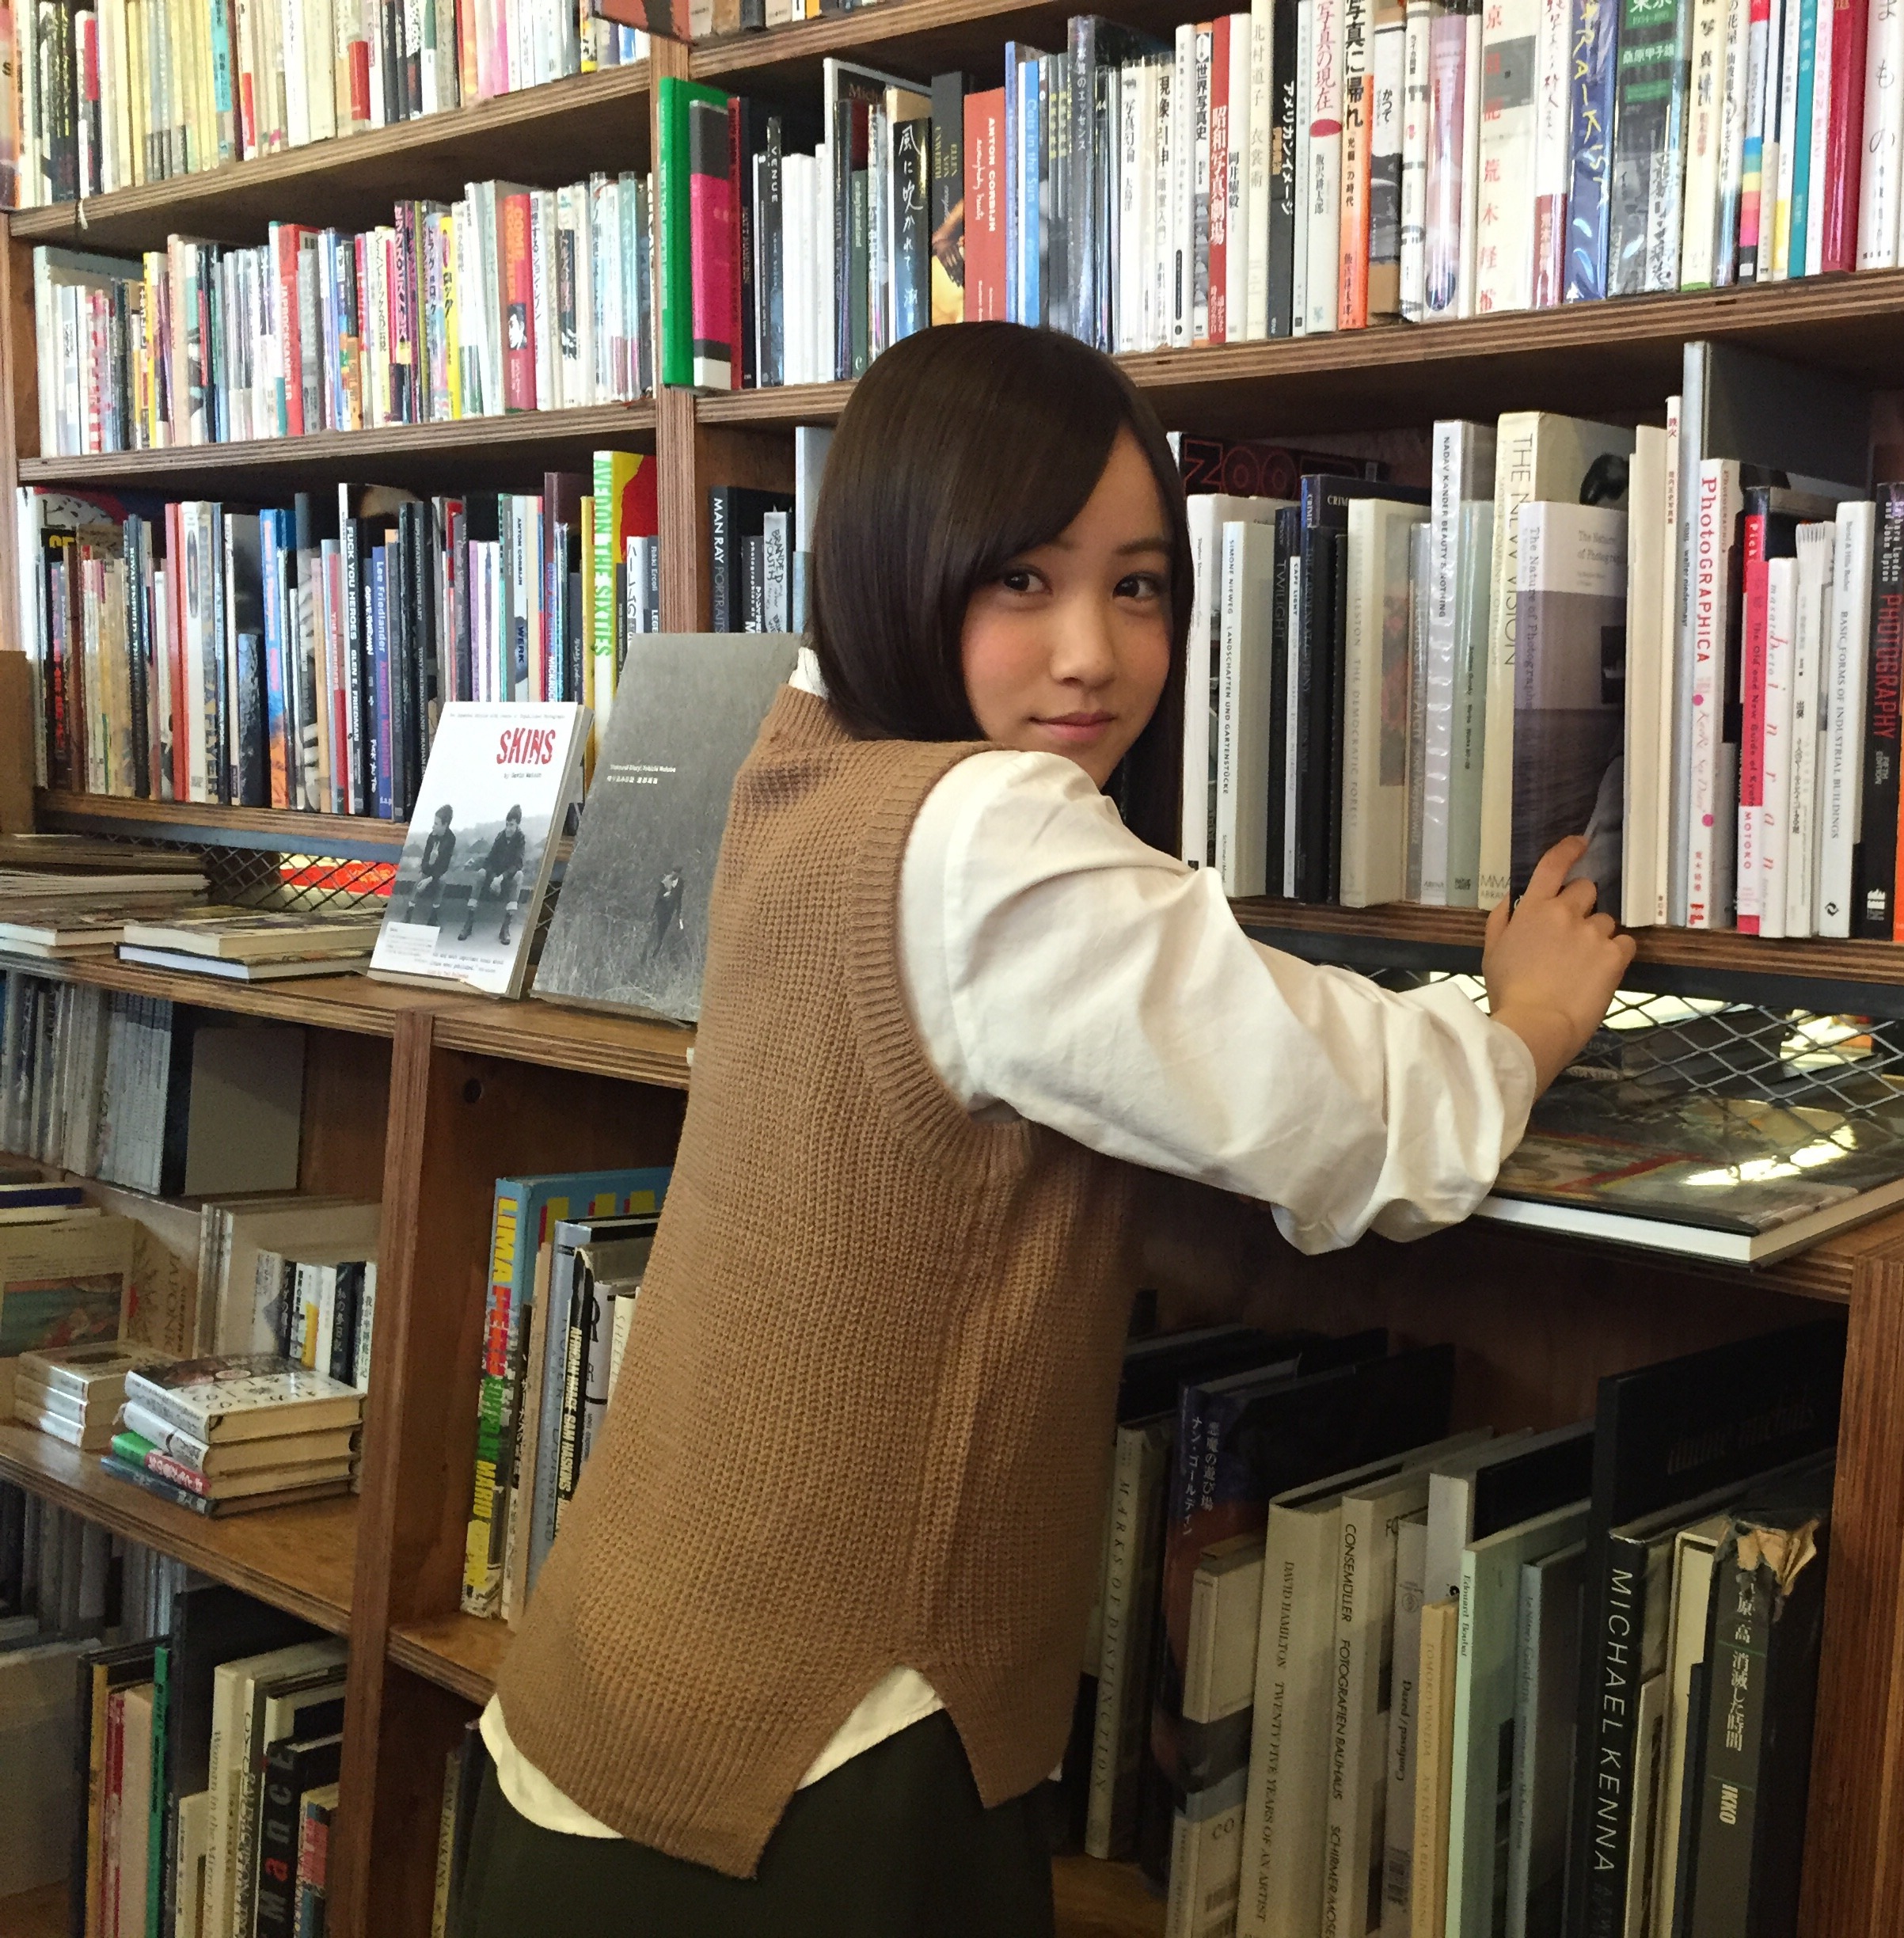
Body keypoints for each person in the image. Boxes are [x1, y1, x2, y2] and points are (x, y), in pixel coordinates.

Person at [454, 323, 1633, 1938]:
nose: (1092, 652)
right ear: (899, 567)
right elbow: (1363, 1124)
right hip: (810, 1786)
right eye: (1023, 579)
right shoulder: (984, 828)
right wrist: (1530, 1015)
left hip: (601, 1720)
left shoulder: (802, 768)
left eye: (1137, 586)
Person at [459, 804, 528, 946]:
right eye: (507, 824)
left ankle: (505, 928)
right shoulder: (500, 837)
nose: (508, 828)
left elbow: (518, 864)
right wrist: (493, 878)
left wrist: (501, 878)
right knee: (480, 873)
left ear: (517, 825)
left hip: (507, 878)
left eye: (512, 825)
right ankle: (469, 923)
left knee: (519, 875)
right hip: (494, 877)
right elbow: (489, 860)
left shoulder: (520, 839)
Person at [406, 805, 456, 925]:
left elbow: (444, 866)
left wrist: (430, 879)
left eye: (436, 823)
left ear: (445, 825)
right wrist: (430, 862)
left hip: (439, 873)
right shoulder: (431, 837)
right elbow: (424, 863)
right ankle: (408, 915)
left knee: (442, 881)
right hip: (428, 870)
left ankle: (433, 918)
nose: (433, 826)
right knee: (419, 879)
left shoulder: (451, 839)